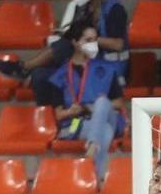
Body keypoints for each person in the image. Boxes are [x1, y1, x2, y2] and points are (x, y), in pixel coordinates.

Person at [0, 0, 130, 92]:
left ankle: (24, 67)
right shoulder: (83, 7)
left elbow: (117, 45)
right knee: (39, 76)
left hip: (109, 66)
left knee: (64, 46)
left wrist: (87, 39)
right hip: (86, 60)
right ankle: (54, 111)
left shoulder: (114, 8)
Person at [39, 21, 126, 181]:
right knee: (104, 131)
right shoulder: (60, 74)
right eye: (88, 40)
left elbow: (119, 103)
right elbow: (58, 115)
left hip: (109, 116)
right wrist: (71, 111)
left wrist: (91, 108)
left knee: (102, 103)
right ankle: (96, 178)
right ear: (75, 43)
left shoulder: (107, 68)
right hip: (77, 124)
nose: (93, 44)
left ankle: (92, 146)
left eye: (95, 39)